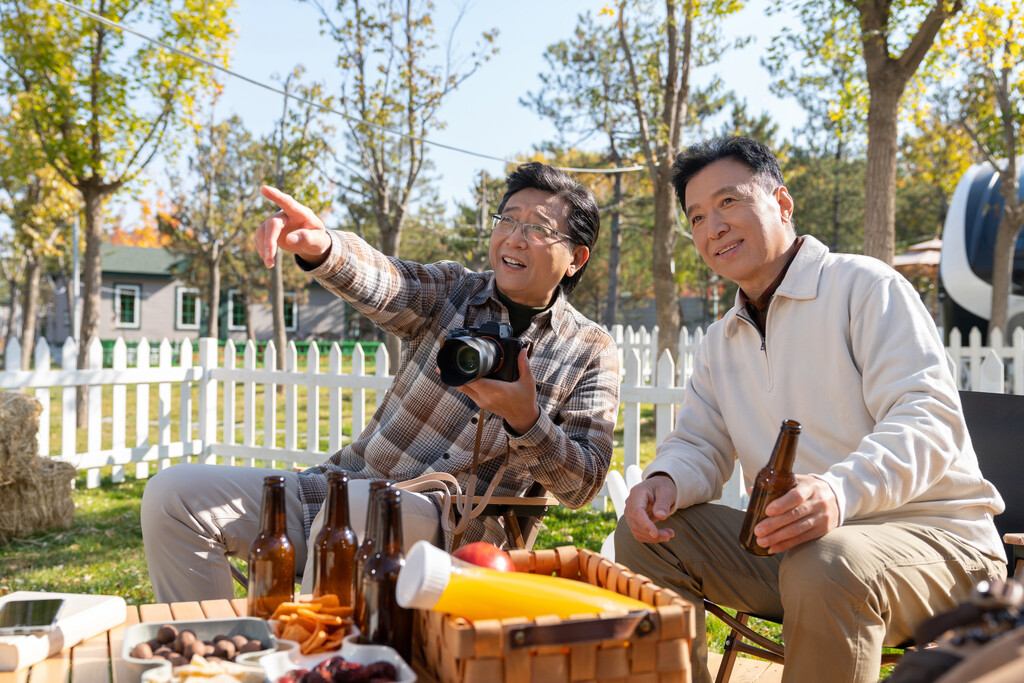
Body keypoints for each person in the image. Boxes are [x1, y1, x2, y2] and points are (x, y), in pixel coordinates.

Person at [613, 136, 1006, 683]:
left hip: (940, 545)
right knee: (646, 537)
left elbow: (927, 416)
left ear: (782, 203)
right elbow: (699, 445)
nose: (713, 227)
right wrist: (664, 481)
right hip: (797, 548)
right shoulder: (720, 341)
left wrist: (839, 493)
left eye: (728, 202)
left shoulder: (865, 287)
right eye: (697, 216)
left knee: (829, 562)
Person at [141, 162, 619, 602]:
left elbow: (583, 484)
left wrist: (525, 418)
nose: (514, 238)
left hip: (455, 528)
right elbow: (389, 282)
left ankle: (307, 651)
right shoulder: (455, 291)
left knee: (356, 510)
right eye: (507, 220)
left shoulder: (589, 350)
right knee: (174, 495)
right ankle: (218, 652)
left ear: (575, 257)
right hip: (341, 487)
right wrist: (324, 247)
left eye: (537, 228)